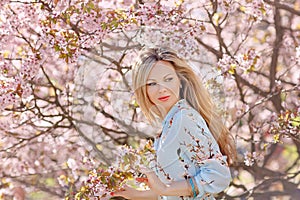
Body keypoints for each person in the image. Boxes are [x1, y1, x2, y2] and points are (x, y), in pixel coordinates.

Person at [113, 47, 236, 200]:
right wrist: (136, 194)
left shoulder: (184, 118)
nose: (162, 89)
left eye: (168, 79)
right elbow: (176, 191)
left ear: (180, 80)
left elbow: (219, 177)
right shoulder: (169, 123)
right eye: (151, 83)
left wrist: (163, 188)